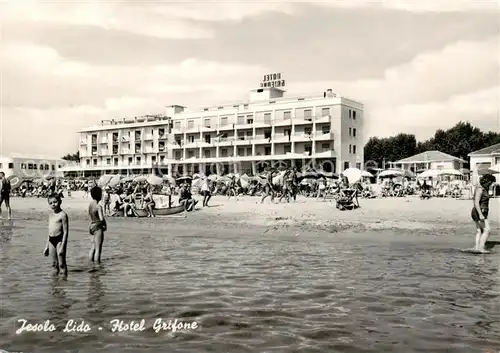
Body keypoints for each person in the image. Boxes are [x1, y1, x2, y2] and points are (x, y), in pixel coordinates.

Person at [469, 174, 496, 253]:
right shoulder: (480, 189)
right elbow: (476, 203)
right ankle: (481, 248)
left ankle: (477, 248)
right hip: (479, 211)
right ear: (487, 181)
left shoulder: (484, 188)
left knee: (479, 230)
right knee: (487, 230)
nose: (491, 184)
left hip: (480, 211)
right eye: (490, 182)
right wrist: (480, 214)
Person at [44, 193, 69, 277]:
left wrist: (63, 246)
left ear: (60, 201)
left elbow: (66, 232)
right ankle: (54, 285)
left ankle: (63, 283)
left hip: (60, 240)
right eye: (50, 203)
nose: (53, 204)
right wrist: (46, 246)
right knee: (54, 264)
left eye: (55, 202)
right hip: (51, 240)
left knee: (61, 264)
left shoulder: (63, 215)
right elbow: (49, 231)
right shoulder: (50, 215)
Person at [88, 186, 107, 263]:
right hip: (98, 227)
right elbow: (101, 219)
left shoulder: (90, 204)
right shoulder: (98, 206)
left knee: (93, 247)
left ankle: (90, 263)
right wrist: (105, 225)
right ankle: (97, 266)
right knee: (98, 249)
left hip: (91, 225)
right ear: (99, 195)